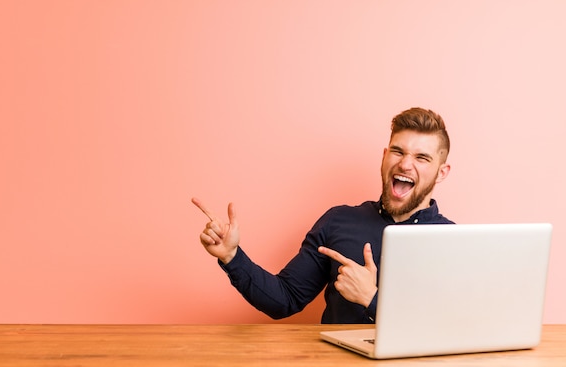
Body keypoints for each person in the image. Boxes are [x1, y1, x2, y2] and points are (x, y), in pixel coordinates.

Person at [192, 107, 453, 324]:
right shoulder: (339, 221)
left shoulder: (453, 241)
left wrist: (371, 299)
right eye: (398, 151)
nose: (405, 164)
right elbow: (285, 299)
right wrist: (232, 256)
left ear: (441, 172)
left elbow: (448, 331)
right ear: (384, 157)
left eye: (422, 157)